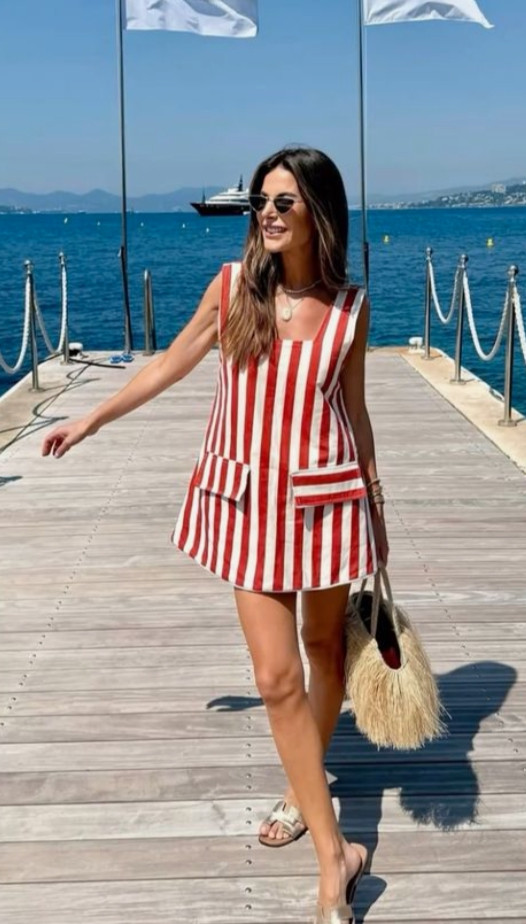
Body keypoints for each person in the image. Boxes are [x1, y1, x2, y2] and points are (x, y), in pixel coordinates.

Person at [42, 145, 389, 923]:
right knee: (275, 678)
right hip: (247, 508)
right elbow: (170, 363)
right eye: (260, 201)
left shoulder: (351, 309)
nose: (265, 213)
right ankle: (337, 858)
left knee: (325, 652)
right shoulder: (234, 289)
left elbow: (355, 414)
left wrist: (377, 509)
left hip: (329, 503)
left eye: (282, 203)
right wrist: (93, 416)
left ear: (317, 215)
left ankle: (307, 787)